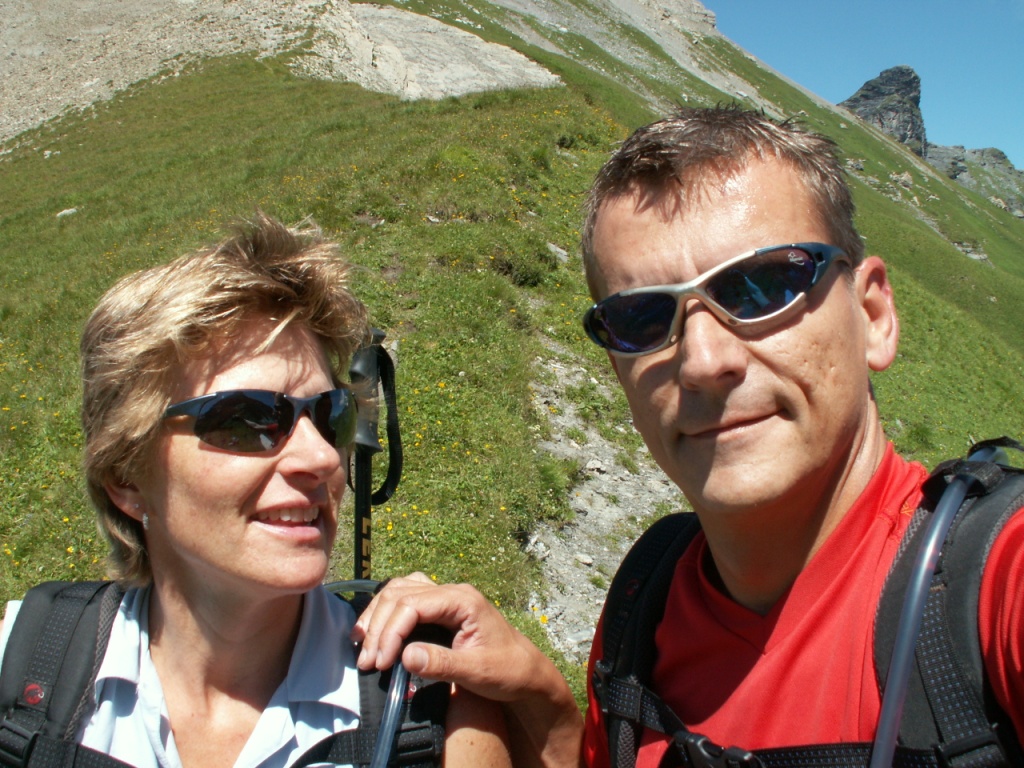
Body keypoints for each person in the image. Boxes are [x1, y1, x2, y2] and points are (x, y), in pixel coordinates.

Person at [354, 106, 1024, 766]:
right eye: (642, 319)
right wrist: (540, 697)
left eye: (762, 287)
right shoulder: (644, 607)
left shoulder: (990, 583)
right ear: (618, 371)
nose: (703, 361)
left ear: (872, 315)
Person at [0, 212, 510, 768]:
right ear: (126, 478)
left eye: (330, 415)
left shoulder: (431, 703)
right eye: (248, 419)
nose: (323, 457)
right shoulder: (21, 667)